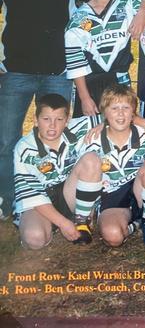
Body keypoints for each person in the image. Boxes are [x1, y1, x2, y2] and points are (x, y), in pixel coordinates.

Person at [0, 0, 83, 219]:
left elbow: (83, 19)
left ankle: (61, 199)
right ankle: (10, 203)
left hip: (57, 72)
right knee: (7, 140)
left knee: (59, 139)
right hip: (15, 71)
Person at [79, 84, 145, 246]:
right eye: (114, 108)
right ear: (104, 112)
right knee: (113, 237)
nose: (120, 113)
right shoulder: (93, 138)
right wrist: (104, 122)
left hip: (139, 188)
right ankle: (134, 224)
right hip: (112, 195)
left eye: (126, 108)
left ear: (133, 112)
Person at [14, 94, 103, 248]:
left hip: (69, 191)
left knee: (91, 159)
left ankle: (82, 220)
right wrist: (62, 223)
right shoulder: (24, 148)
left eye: (59, 120)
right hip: (41, 199)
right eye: (46, 119)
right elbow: (33, 195)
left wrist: (105, 124)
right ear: (35, 120)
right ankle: (49, 224)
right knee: (35, 239)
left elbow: (119, 115)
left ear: (67, 120)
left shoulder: (78, 127)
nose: (52, 126)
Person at [65, 0, 136, 117]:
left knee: (122, 127)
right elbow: (75, 63)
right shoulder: (78, 19)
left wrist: (143, 11)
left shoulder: (127, 0)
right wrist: (84, 98)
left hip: (119, 81)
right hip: (89, 85)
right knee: (88, 133)